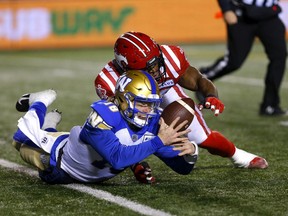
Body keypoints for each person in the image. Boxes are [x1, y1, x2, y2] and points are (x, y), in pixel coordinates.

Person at [94, 31, 268, 176]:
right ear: (127, 69)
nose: (156, 70)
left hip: (165, 92)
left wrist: (210, 95)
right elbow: (120, 129)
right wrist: (135, 164)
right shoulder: (108, 81)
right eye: (149, 68)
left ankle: (237, 156)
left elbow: (198, 80)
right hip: (137, 104)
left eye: (156, 63)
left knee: (201, 136)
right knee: (130, 131)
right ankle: (135, 164)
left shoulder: (169, 57)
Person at [12, 70, 198, 184]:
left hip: (92, 173)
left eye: (152, 104)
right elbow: (117, 158)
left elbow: (184, 168)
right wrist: (158, 141)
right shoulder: (104, 114)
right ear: (124, 100)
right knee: (19, 141)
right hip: (61, 162)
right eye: (142, 103)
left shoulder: (154, 123)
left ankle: (50, 125)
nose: (148, 111)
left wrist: (190, 152)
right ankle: (41, 100)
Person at [197, 0, 287, 116]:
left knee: (279, 57)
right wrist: (227, 9)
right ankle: (205, 77)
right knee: (234, 61)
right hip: (242, 14)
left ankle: (270, 105)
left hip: (269, 14)